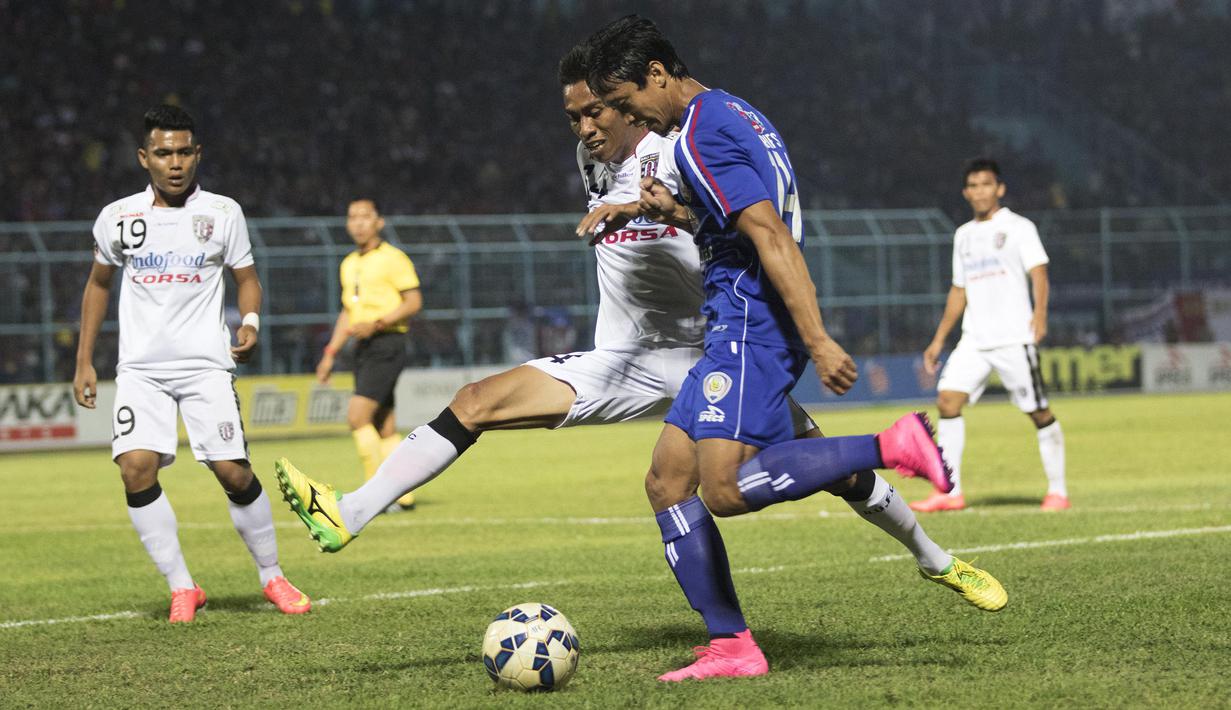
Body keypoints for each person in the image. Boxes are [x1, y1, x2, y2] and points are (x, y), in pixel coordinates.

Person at [584, 15, 1007, 681]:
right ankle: (732, 646)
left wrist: (815, 338)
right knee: (668, 481)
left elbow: (770, 236)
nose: (628, 116)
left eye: (627, 100)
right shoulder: (733, 112)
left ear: (658, 76)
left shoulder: (699, 136)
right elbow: (737, 223)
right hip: (734, 322)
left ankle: (892, 445)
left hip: (750, 323)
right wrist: (675, 214)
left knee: (720, 489)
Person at [273, 43, 731, 552]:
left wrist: (667, 213)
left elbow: (740, 228)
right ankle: (349, 512)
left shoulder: (680, 151)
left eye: (594, 112)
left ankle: (839, 486)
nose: (584, 129)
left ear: (624, 102)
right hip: (625, 360)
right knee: (474, 402)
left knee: (803, 469)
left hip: (715, 352)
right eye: (573, 117)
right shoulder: (589, 158)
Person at [71, 105, 309, 623]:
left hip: (206, 366)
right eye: (163, 153)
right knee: (135, 469)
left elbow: (247, 276)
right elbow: (98, 286)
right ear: (144, 158)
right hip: (141, 370)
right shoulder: (119, 217)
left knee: (233, 472)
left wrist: (250, 322)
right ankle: (183, 586)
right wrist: (84, 360)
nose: (174, 163)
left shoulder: (224, 213)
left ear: (197, 154)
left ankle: (272, 575)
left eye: (183, 152)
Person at [912, 159, 1069, 513]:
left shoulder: (1019, 227)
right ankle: (951, 492)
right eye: (973, 185)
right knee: (948, 401)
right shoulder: (963, 235)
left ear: (999, 188)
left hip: (1014, 336)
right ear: (966, 192)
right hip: (974, 339)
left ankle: (1058, 491)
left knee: (1038, 411)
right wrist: (939, 339)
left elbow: (1039, 273)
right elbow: (958, 290)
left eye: (986, 184)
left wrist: (1039, 316)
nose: (979, 191)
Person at [315, 199, 423, 510]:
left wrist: (378, 323)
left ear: (379, 222)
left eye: (366, 217)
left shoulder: (393, 258)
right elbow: (349, 313)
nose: (359, 223)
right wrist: (330, 353)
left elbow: (413, 301)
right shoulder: (348, 263)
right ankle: (404, 495)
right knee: (384, 424)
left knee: (357, 417)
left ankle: (376, 495)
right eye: (353, 217)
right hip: (363, 346)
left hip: (387, 342)